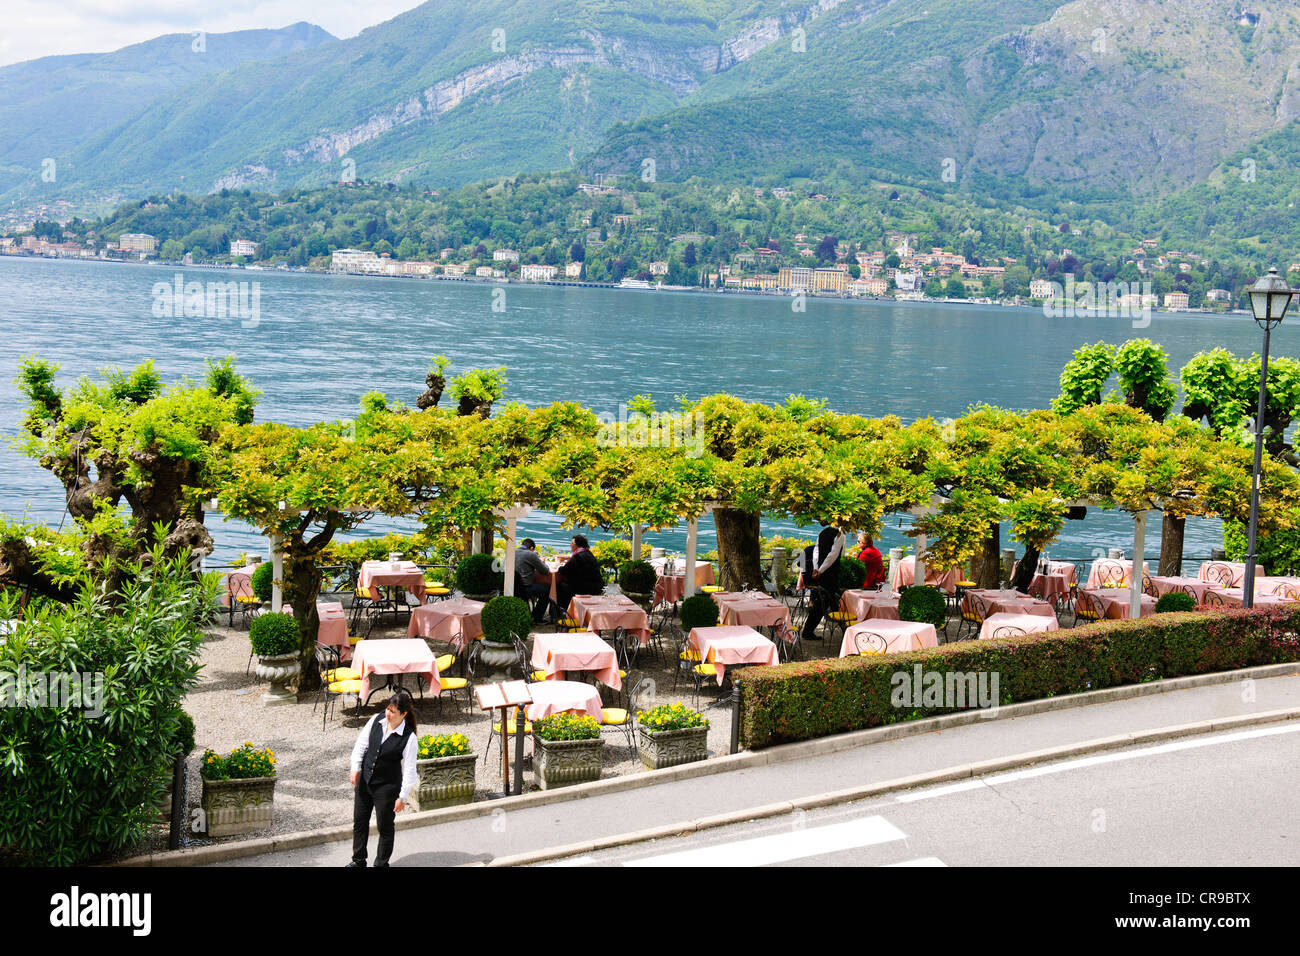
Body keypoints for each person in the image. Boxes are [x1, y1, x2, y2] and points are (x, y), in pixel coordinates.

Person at [348, 691, 418, 867]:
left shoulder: (409, 738)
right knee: (360, 821)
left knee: (385, 827)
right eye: (388, 709)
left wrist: (402, 797)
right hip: (365, 780)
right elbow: (361, 745)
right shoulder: (375, 720)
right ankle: (358, 861)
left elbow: (409, 770)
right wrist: (355, 768)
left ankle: (381, 863)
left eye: (393, 711)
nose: (388, 713)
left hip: (387, 787)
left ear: (403, 714)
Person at [801, 521, 845, 643]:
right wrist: (821, 570)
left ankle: (844, 629)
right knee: (825, 602)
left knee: (827, 601)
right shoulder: (840, 534)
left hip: (819, 571)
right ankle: (808, 631)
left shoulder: (822, 532)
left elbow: (816, 551)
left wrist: (816, 567)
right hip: (829, 573)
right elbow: (833, 555)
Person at [555, 534, 604, 610]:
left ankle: (563, 611)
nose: (570, 545)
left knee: (558, 586)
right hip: (596, 586)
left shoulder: (577, 556)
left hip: (584, 588)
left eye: (572, 543)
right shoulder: (588, 553)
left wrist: (558, 564)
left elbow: (563, 571)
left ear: (576, 546)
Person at [515, 538, 555, 623]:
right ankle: (536, 617)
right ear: (532, 548)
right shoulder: (530, 554)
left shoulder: (512, 551)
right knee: (547, 590)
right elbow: (545, 571)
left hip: (508, 586)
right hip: (523, 587)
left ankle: (533, 616)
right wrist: (543, 562)